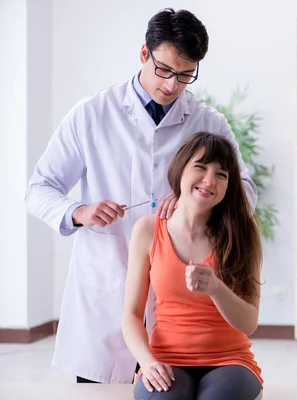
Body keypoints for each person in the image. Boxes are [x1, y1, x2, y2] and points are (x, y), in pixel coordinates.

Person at [24, 8, 257, 384]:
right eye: (164, 70)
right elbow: (38, 190)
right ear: (144, 54)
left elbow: (244, 192)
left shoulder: (208, 122)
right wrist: (79, 211)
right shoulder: (92, 115)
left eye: (185, 75)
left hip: (178, 312)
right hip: (107, 290)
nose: (171, 85)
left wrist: (190, 202)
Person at [122, 132, 263, 400]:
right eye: (200, 167)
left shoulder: (244, 232)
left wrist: (216, 288)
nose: (210, 180)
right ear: (180, 169)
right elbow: (131, 315)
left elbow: (248, 323)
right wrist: (148, 362)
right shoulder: (148, 230)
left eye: (221, 174)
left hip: (230, 360)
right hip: (165, 358)